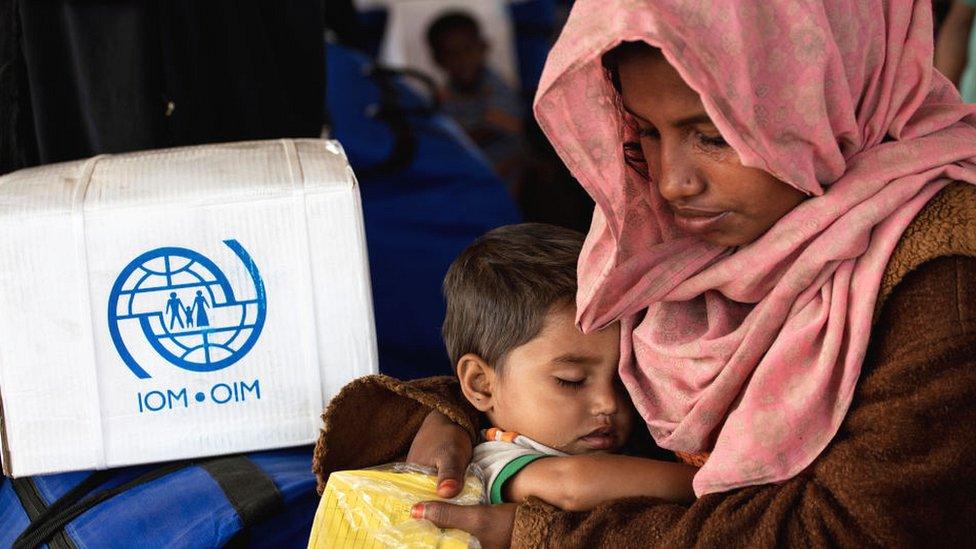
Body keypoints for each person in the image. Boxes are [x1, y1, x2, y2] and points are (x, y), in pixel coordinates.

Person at [314, 1, 976, 547]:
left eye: (713, 134)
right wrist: (458, 423)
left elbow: (847, 530)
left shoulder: (940, 273)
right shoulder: (677, 235)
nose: (671, 181)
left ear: (823, 92)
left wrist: (549, 533)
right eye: (645, 134)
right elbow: (569, 361)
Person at [432, 223, 695, 512]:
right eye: (572, 380)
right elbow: (572, 485)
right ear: (481, 383)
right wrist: (713, 482)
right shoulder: (494, 460)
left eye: (623, 378)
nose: (608, 403)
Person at [426, 11, 523, 189]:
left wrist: (449, 143)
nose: (462, 60)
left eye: (468, 50)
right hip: (468, 176)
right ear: (438, 60)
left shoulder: (497, 86)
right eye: (452, 54)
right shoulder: (442, 95)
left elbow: (491, 129)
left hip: (507, 174)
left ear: (483, 47)